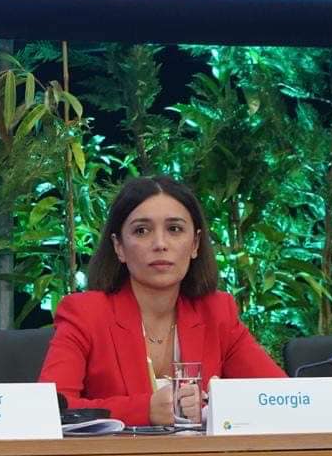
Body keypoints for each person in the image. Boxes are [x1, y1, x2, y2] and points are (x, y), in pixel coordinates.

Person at [39, 175, 286, 426]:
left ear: (195, 244)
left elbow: (281, 399)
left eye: (174, 229)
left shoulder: (217, 312)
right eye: (142, 231)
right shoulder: (85, 314)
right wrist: (144, 410)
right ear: (119, 246)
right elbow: (50, 408)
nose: (160, 244)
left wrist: (216, 405)